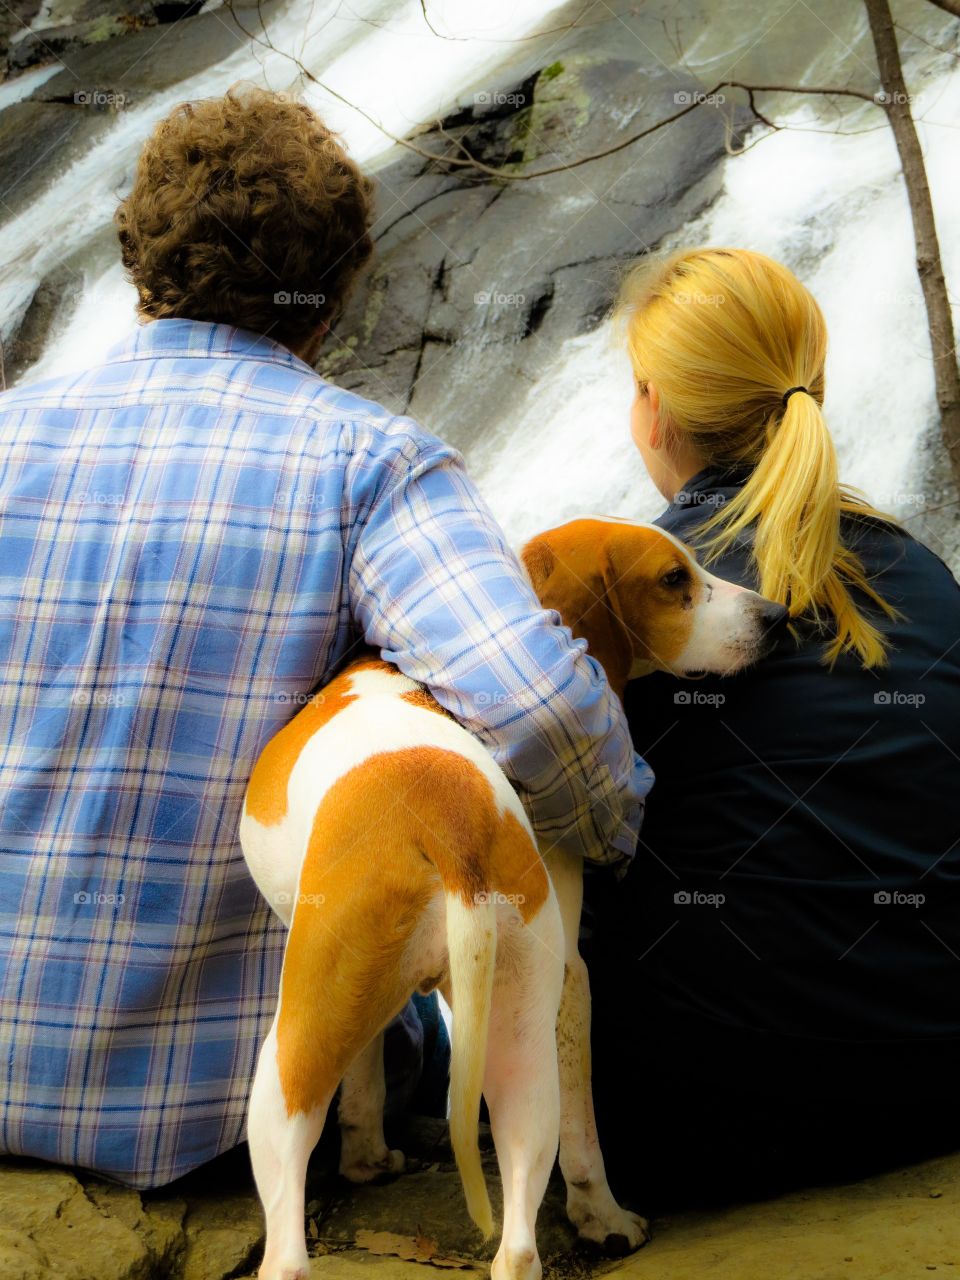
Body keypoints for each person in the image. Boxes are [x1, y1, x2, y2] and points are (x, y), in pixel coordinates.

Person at [0, 87, 652, 1189]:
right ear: (332, 295)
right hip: (210, 1119)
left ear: (140, 264)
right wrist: (616, 821)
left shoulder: (12, 430)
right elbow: (540, 706)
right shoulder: (368, 464)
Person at [583, 246, 960, 1212]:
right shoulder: (926, 577)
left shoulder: (644, 601)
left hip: (700, 1127)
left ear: (654, 406)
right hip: (936, 1088)